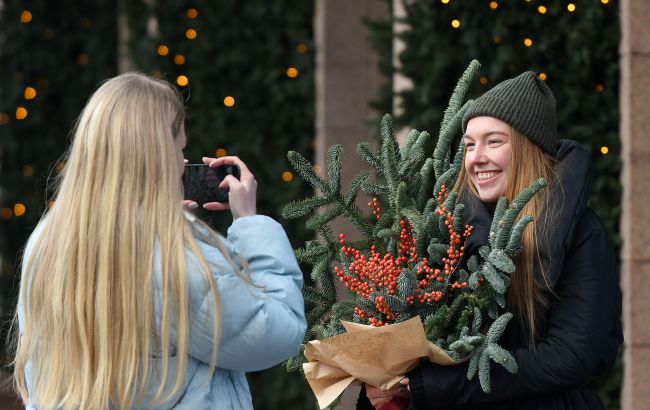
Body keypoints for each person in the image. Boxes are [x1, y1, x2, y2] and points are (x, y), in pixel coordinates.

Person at [12, 72, 306, 409]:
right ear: (154, 153)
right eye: (179, 149)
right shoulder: (171, 258)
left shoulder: (48, 239)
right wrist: (250, 224)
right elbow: (276, 333)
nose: (183, 163)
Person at [359, 71, 623, 409]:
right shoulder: (443, 233)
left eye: (494, 141)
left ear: (529, 148)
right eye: (469, 145)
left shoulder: (583, 233)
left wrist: (437, 385)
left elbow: (571, 355)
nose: (476, 157)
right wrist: (383, 389)